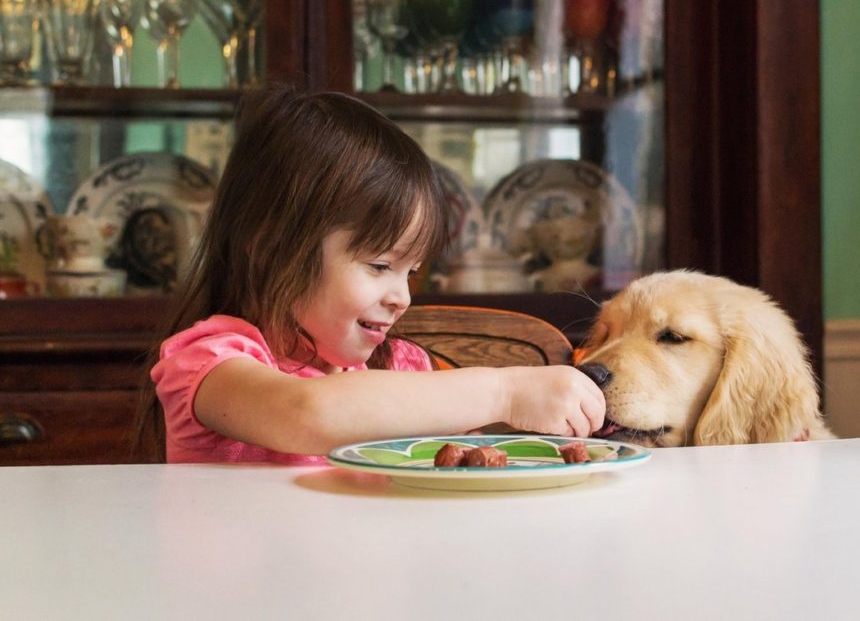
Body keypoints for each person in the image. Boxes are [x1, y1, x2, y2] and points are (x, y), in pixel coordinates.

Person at [136, 86, 605, 465]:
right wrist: (506, 391)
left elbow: (458, 472)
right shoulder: (209, 364)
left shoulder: (402, 369)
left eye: (411, 272)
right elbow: (306, 413)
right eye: (380, 266)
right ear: (272, 248)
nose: (401, 296)